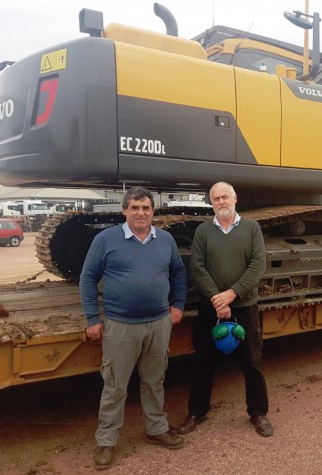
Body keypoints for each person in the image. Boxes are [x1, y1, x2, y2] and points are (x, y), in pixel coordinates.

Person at [79, 186, 187, 471]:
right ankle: (106, 441)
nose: (141, 213)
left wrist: (178, 305)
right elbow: (88, 278)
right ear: (125, 210)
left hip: (158, 324)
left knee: (154, 381)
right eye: (135, 207)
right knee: (115, 386)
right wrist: (92, 318)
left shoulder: (165, 239)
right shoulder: (106, 239)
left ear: (153, 212)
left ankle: (156, 428)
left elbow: (178, 272)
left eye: (146, 208)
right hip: (120, 326)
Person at [176, 181, 273, 437]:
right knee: (203, 362)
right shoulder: (203, 232)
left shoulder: (252, 228)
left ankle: (258, 413)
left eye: (225, 197)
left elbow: (257, 265)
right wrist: (217, 299)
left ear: (235, 198)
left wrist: (232, 294)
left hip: (244, 306)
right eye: (216, 198)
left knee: (251, 362)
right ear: (212, 202)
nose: (221, 202)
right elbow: (197, 267)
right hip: (211, 308)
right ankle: (197, 411)